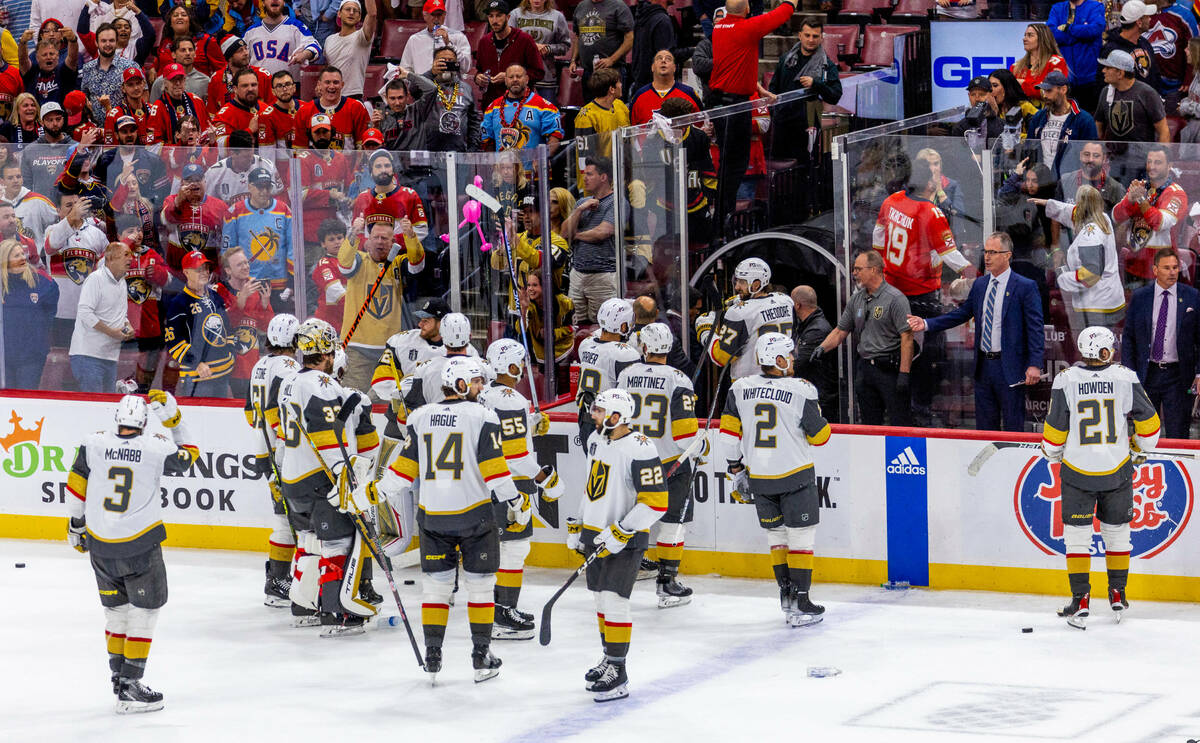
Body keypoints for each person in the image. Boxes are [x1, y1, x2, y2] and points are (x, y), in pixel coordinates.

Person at [375, 356, 527, 682]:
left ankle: (433, 655)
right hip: (475, 518)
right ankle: (480, 655)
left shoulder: (420, 417)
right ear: (460, 383)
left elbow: (403, 470)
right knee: (481, 588)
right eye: (475, 382)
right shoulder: (483, 416)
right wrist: (515, 500)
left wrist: (374, 493)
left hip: (432, 520)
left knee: (436, 590)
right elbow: (495, 471)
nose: (480, 387)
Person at [66, 390, 198, 713]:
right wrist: (173, 418)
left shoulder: (93, 443)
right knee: (145, 611)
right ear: (142, 422)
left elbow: (75, 484)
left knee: (116, 612)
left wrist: (76, 526)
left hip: (100, 545)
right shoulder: (155, 447)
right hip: (138, 546)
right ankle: (131, 686)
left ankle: (118, 678)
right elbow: (191, 454)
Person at [1041, 326, 1160, 629]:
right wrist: (1140, 448)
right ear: (1106, 351)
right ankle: (1118, 592)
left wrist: (1052, 453)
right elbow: (1149, 422)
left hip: (1078, 471)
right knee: (1118, 532)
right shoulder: (1125, 376)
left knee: (1078, 537)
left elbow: (1054, 432)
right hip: (1117, 470)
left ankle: (1080, 599)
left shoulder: (1065, 379)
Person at [275, 317, 381, 635]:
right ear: (325, 352)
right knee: (338, 542)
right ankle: (336, 612)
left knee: (309, 541)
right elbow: (325, 433)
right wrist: (341, 475)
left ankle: (304, 604)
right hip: (319, 477)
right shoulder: (320, 384)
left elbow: (283, 434)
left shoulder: (290, 381)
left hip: (293, 477)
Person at [720, 332, 830, 625]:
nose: (792, 359)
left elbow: (728, 435)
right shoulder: (802, 389)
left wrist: (736, 469)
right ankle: (802, 600)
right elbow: (820, 437)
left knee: (777, 537)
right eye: (789, 355)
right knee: (801, 538)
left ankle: (786, 595)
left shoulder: (740, 388)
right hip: (795, 475)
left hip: (759, 477)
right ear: (778, 360)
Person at [565, 387, 666, 701]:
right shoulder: (597, 440)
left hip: (626, 541)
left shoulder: (641, 448)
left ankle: (618, 671)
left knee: (614, 600)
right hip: (595, 535)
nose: (591, 415)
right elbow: (592, 487)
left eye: (597, 410)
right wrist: (579, 524)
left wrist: (623, 530)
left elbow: (657, 503)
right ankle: (609, 656)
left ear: (617, 416)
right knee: (599, 600)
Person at [908, 232, 1044, 432]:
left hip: (1010, 367)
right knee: (984, 428)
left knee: (1013, 427)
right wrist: (927, 324)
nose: (987, 257)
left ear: (1007, 255)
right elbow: (961, 314)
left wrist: (1034, 364)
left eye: (993, 252)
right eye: (985, 252)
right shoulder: (980, 285)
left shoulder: (1025, 286)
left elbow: (1035, 328)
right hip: (984, 367)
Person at [477, 339, 560, 638]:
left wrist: (529, 423)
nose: (524, 367)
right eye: (521, 362)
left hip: (485, 481)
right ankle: (502, 614)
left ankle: (498, 609)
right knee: (514, 549)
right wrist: (544, 477)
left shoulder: (483, 394)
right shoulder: (512, 399)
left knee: (501, 549)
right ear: (511, 366)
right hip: (508, 483)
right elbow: (515, 455)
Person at [614, 322, 698, 607]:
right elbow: (686, 433)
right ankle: (667, 583)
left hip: (634, 460)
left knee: (636, 519)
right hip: (670, 460)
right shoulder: (679, 379)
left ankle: (624, 575)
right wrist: (702, 448)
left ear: (645, 347)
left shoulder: (625, 375)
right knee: (672, 523)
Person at [707, 0, 796, 226]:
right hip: (734, 106)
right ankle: (723, 223)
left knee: (729, 166)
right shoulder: (747, 28)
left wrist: (761, 90)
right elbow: (784, 12)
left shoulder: (719, 28)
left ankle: (722, 219)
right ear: (747, 10)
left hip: (720, 101)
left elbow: (735, 67)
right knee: (734, 166)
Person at [812, 250, 914, 426]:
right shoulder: (857, 299)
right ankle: (871, 453)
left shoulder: (895, 298)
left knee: (899, 422)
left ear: (874, 270)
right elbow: (840, 330)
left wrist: (904, 374)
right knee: (869, 423)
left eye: (858, 269)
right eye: (854, 269)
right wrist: (821, 348)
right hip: (866, 369)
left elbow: (907, 336)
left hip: (889, 370)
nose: (854, 273)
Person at [243, 313, 301, 607]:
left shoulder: (259, 365)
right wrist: (288, 441)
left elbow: (251, 412)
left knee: (283, 517)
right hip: (283, 451)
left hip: (262, 450)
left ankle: (278, 581)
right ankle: (285, 582)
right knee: (297, 518)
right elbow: (279, 412)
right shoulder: (290, 366)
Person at [338, 214, 426, 391]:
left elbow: (417, 264)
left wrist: (411, 237)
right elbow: (344, 264)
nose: (380, 242)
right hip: (357, 349)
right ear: (368, 240)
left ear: (393, 241)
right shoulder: (358, 260)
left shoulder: (398, 263)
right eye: (375, 237)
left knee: (385, 406)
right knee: (354, 403)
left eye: (385, 238)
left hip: (389, 350)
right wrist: (354, 233)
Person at [1121, 248, 1200, 439]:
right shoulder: (1140, 297)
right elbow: (1129, 337)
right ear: (1155, 270)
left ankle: (1177, 467)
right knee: (1145, 433)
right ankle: (1144, 467)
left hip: (1179, 375)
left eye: (1175, 267)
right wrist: (1129, 374)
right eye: (1167, 268)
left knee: (1178, 432)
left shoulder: (1192, 296)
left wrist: (1199, 372)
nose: (1172, 272)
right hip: (1147, 373)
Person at [1035, 185, 1126, 336]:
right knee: (1103, 349)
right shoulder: (1103, 218)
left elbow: (1090, 275)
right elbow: (1072, 212)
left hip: (1096, 307)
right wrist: (1049, 204)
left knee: (1094, 350)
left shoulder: (1091, 235)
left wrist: (1062, 274)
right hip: (1108, 299)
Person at [694, 257, 793, 381]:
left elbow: (720, 357)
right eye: (737, 281)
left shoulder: (739, 313)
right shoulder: (785, 301)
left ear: (756, 284)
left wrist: (706, 331)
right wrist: (742, 300)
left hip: (749, 385)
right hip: (783, 380)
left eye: (742, 282)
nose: (736, 287)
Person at [767, 18, 841, 167]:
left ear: (821, 38)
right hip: (782, 122)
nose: (811, 40)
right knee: (780, 170)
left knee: (804, 169)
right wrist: (774, 110)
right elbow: (773, 88)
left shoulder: (827, 65)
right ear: (800, 35)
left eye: (815, 36)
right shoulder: (786, 60)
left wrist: (816, 84)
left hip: (807, 125)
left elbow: (835, 96)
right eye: (807, 35)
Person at [163, 250, 235, 397]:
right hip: (198, 376)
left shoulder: (215, 296)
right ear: (186, 272)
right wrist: (197, 363)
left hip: (224, 372)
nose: (204, 273)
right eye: (198, 269)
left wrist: (231, 350)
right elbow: (174, 342)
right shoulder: (178, 303)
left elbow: (226, 327)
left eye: (206, 269)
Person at [1112, 145, 1187, 285]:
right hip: (1133, 265)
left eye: (1157, 162)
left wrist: (1141, 200)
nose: (1151, 166)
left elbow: (1160, 223)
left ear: (1169, 165)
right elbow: (1116, 216)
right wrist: (1129, 200)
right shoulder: (1141, 186)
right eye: (1149, 162)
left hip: (1161, 269)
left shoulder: (1176, 193)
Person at [220, 166, 293, 303]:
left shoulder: (283, 210)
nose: (264, 192)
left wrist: (293, 279)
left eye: (268, 187)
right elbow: (228, 251)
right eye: (260, 187)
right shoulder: (235, 211)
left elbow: (293, 248)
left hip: (279, 282)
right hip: (247, 284)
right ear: (249, 187)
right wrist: (232, 281)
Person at [576, 297, 640, 449]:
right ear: (623, 326)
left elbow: (601, 337)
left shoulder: (585, 345)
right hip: (610, 423)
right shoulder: (625, 354)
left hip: (585, 421)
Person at [68, 240, 131, 392]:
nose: (131, 259)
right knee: (94, 407)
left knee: (107, 406)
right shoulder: (96, 279)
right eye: (126, 255)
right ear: (110, 259)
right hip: (88, 356)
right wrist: (111, 332)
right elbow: (85, 312)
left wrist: (128, 326)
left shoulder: (122, 282)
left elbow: (120, 313)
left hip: (109, 356)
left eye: (131, 255)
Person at [562, 157, 618, 321]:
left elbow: (603, 232)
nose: (584, 178)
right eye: (584, 174)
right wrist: (579, 210)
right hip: (578, 274)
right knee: (575, 324)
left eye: (589, 174)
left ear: (603, 177)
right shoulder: (583, 202)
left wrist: (576, 235)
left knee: (603, 324)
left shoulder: (616, 201)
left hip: (603, 276)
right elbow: (564, 232)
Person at [1, 238, 58, 389]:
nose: (22, 258)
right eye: (16, 256)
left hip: (31, 357)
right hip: (3, 359)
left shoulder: (41, 281)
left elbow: (50, 311)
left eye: (22, 254)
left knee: (25, 400)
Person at [1024, 70, 1098, 176]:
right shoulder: (1038, 117)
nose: (1044, 95)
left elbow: (1091, 155)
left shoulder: (1084, 119)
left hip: (1070, 181)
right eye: (1043, 91)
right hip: (1040, 182)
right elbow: (1029, 149)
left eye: (1049, 91)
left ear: (1063, 89)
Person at [408, 46, 482, 152]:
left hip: (459, 152)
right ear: (434, 63)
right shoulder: (426, 85)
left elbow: (474, 121)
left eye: (450, 61)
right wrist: (431, 73)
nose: (447, 64)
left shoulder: (466, 88)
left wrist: (472, 149)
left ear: (456, 64)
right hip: (428, 150)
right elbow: (412, 89)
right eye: (443, 61)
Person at [475, 0, 545, 109]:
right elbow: (479, 69)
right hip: (491, 104)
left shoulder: (525, 40)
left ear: (508, 17)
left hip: (519, 104)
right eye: (491, 16)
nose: (494, 21)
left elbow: (538, 73)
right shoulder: (484, 42)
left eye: (498, 16)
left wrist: (511, 77)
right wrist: (478, 78)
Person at [480, 64, 563, 153]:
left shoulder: (546, 107)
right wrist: (493, 164)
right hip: (502, 166)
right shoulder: (492, 108)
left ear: (527, 79)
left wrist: (543, 160)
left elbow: (554, 139)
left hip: (532, 166)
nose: (515, 80)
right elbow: (487, 141)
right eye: (511, 77)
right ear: (505, 81)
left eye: (519, 76)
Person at [1094, 50, 1169, 147]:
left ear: (1120, 73)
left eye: (1108, 68)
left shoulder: (1147, 93)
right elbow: (1098, 125)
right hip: (1113, 158)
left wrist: (1162, 157)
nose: (1103, 70)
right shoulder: (1105, 92)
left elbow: (1163, 131)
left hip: (1142, 158)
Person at [160, 163, 228, 271]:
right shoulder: (171, 200)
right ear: (182, 183)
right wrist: (179, 200)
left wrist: (217, 270)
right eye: (189, 181)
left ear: (204, 181)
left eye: (198, 180)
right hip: (177, 271)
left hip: (207, 272)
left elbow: (226, 240)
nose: (194, 184)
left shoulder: (220, 206)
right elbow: (166, 220)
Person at [509, 0, 571, 105]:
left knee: (546, 115)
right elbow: (507, 42)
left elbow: (565, 46)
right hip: (519, 75)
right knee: (517, 116)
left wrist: (549, 48)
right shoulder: (515, 14)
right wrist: (531, 47)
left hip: (546, 76)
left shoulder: (557, 16)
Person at [294, 65, 371, 150]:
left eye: (336, 82)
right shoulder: (304, 111)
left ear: (342, 85)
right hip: (314, 162)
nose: (331, 86)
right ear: (319, 85)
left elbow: (363, 148)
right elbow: (299, 151)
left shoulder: (356, 107)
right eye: (327, 82)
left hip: (347, 163)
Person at [1048, 0, 1105, 113]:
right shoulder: (1057, 8)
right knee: (1065, 120)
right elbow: (1051, 33)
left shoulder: (1095, 6)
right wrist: (1081, 33)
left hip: (1090, 78)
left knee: (1090, 121)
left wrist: (1067, 28)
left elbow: (1095, 29)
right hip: (1064, 79)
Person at [790, 285, 836, 421]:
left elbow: (798, 363)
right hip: (811, 392)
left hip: (819, 397)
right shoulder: (804, 324)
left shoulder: (817, 329)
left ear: (797, 305)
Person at [78, 23, 138, 123]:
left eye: (111, 40)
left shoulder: (130, 67)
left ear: (116, 42)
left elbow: (142, 96)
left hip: (124, 129)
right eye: (103, 41)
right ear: (96, 43)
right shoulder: (87, 68)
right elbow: (85, 98)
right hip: (97, 130)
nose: (108, 44)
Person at [244, 0, 320, 77]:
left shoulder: (296, 26)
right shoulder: (250, 32)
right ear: (263, 3)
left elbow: (315, 46)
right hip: (259, 86)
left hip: (289, 86)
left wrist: (304, 54)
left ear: (284, 2)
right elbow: (240, 58)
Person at [1099, 0, 1162, 92]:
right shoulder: (1111, 50)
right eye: (1147, 17)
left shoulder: (1145, 43)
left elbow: (1155, 74)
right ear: (1139, 22)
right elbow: (1103, 84)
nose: (1150, 19)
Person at [399, 0, 473, 76]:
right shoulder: (415, 39)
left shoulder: (458, 36)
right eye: (433, 15)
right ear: (425, 15)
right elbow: (405, 69)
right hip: (422, 85)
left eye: (439, 15)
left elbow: (466, 68)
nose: (436, 18)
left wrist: (449, 44)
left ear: (444, 15)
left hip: (450, 85)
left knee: (466, 88)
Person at [629, 49, 702, 126]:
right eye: (659, 58)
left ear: (674, 68)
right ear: (652, 67)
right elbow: (632, 130)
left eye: (668, 59)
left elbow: (701, 125)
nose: (663, 61)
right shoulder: (639, 96)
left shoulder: (689, 93)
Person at [323, 0, 378, 100]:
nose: (351, 12)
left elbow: (372, 14)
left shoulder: (362, 36)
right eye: (348, 9)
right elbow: (328, 68)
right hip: (331, 96)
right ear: (339, 13)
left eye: (355, 11)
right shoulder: (329, 40)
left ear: (360, 17)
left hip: (353, 96)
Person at [207, 36, 273, 118]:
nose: (246, 53)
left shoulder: (263, 75)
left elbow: (273, 109)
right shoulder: (216, 79)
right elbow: (212, 113)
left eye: (246, 48)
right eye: (240, 51)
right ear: (229, 57)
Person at [570, 0, 634, 83]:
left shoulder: (618, 6)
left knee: (613, 96)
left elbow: (630, 38)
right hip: (588, 71)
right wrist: (573, 61)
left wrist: (611, 60)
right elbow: (578, 36)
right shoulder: (581, 6)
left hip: (611, 71)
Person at [1011, 23, 1070, 103]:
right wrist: (1036, 86)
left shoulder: (1056, 62)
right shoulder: (1015, 67)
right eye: (1025, 35)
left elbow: (1053, 91)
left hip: (1048, 112)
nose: (1024, 39)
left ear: (1042, 39)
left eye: (1030, 35)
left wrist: (1023, 84)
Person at [630, 0, 676, 96]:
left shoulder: (642, 16)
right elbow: (666, 56)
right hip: (657, 86)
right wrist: (693, 50)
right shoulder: (662, 20)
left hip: (640, 83)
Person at [211, 70, 268, 147]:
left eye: (253, 85)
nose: (250, 89)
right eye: (245, 86)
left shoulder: (266, 109)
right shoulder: (224, 116)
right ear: (235, 89)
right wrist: (249, 131)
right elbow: (221, 148)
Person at [20, 35, 79, 106]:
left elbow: (72, 59)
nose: (48, 57)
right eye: (44, 55)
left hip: (60, 115)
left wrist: (73, 41)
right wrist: (23, 43)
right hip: (37, 115)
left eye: (51, 54)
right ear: (37, 58)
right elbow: (23, 61)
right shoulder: (32, 73)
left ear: (57, 56)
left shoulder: (63, 71)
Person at [148, 37, 211, 102]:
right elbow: (154, 108)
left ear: (195, 54)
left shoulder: (206, 81)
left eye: (190, 50)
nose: (188, 53)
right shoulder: (161, 82)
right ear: (173, 55)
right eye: (183, 50)